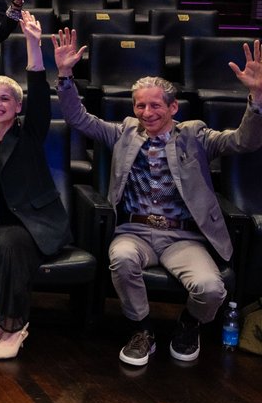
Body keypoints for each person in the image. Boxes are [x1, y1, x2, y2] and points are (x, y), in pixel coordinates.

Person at [54, 30, 262, 366]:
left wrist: (256, 99)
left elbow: (243, 142)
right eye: (140, 105)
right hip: (135, 233)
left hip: (182, 236)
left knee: (210, 288)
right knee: (121, 260)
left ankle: (189, 323)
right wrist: (65, 75)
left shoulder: (194, 134)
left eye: (155, 105)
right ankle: (142, 330)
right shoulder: (123, 132)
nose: (147, 112)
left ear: (173, 106)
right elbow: (78, 118)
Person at [0, 14, 70, 359]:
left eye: (5, 99)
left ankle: (8, 327)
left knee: (6, 244)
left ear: (16, 106)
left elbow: (38, 93)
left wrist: (33, 44)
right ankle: (5, 324)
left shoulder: (30, 132)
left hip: (34, 225)